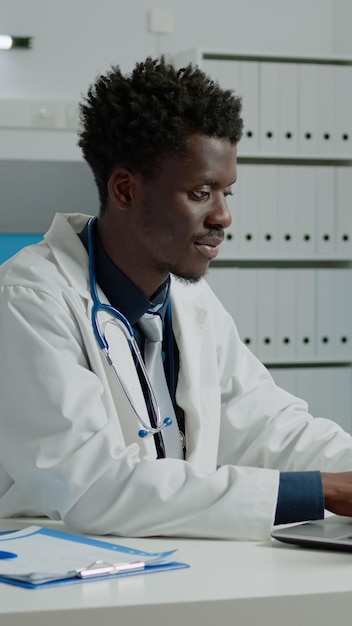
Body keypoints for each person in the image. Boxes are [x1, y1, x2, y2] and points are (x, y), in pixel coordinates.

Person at [0, 57, 352, 540]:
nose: (224, 216)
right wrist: (320, 490)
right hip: (55, 579)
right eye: (201, 192)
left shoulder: (192, 303)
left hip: (171, 568)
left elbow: (270, 426)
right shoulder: (29, 301)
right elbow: (96, 488)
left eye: (227, 192)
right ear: (125, 189)